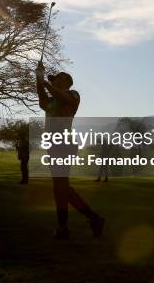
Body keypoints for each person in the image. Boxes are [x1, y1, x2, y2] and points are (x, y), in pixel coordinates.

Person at [35, 61, 105, 239]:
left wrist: (46, 83)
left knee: (61, 186)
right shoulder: (51, 99)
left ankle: (89, 219)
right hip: (53, 144)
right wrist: (39, 77)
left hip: (64, 143)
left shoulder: (73, 94)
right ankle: (65, 226)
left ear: (65, 80)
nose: (54, 80)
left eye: (57, 77)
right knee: (59, 187)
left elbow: (64, 99)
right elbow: (42, 98)